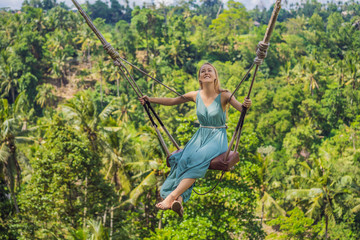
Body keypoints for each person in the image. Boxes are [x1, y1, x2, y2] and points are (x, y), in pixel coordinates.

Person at [139, 63, 252, 217]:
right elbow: (172, 101)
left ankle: (171, 196)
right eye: (203, 71)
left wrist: (246, 105)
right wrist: (150, 99)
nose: (206, 72)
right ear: (199, 77)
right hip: (200, 136)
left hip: (217, 137)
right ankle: (179, 199)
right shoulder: (195, 95)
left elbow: (241, 109)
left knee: (197, 159)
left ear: (215, 76)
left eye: (209, 70)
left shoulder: (224, 95)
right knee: (183, 159)